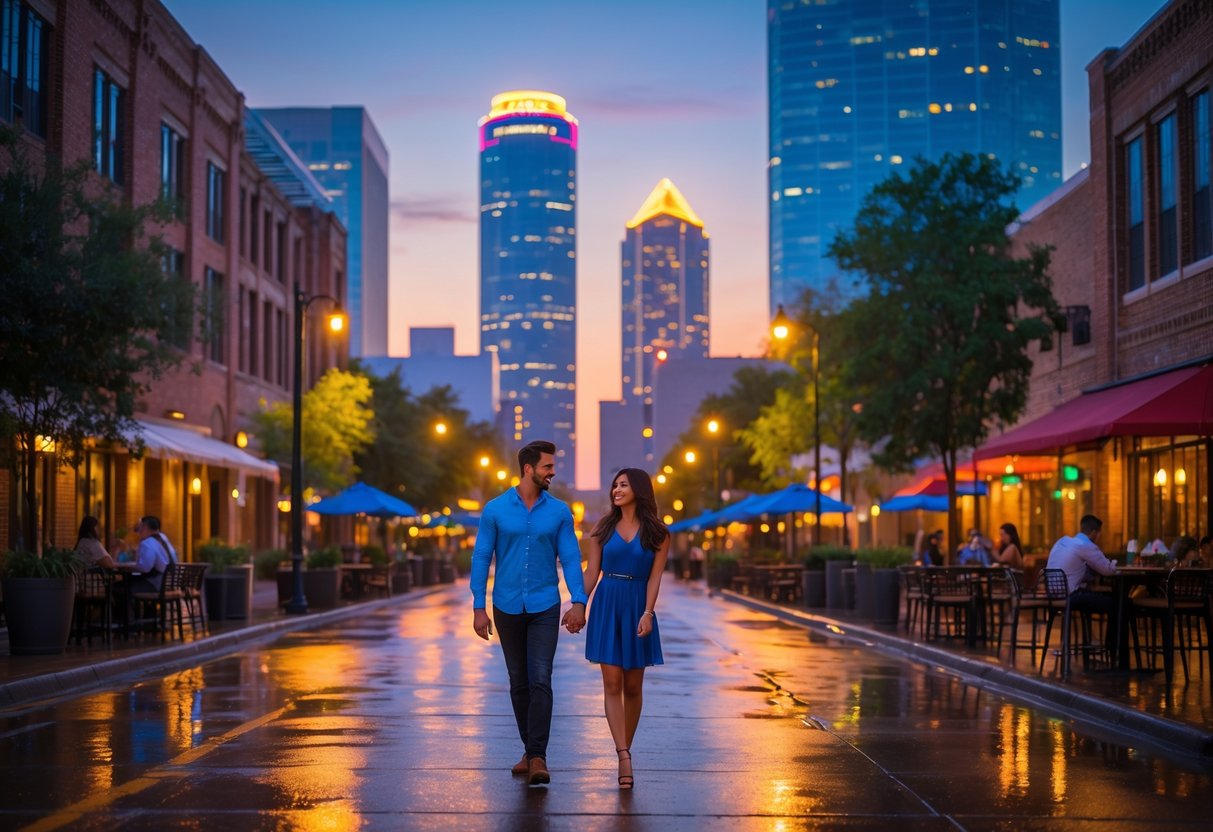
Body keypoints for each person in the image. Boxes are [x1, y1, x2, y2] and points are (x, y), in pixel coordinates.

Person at [469, 440, 588, 787]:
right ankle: (528, 750)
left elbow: (569, 557)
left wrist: (578, 601)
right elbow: (481, 557)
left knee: (540, 678)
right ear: (528, 469)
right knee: (518, 682)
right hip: (505, 604)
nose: (553, 472)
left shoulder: (560, 512)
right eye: (548, 467)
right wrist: (479, 605)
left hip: (544, 606)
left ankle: (538, 756)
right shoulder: (494, 510)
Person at [583, 468, 669, 790]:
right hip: (607, 603)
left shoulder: (658, 533)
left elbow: (655, 577)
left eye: (623, 484)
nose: (616, 490)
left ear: (639, 490)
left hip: (637, 605)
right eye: (614, 485)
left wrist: (648, 613)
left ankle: (625, 748)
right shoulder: (602, 529)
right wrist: (578, 603)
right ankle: (623, 756)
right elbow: (592, 573)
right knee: (613, 681)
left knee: (633, 686)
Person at [1045, 514, 1118, 649]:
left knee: (1088, 594)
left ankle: (1090, 642)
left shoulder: (1062, 541)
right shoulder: (1086, 545)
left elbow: (1072, 570)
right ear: (1094, 533)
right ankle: (1114, 652)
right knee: (1117, 604)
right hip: (1070, 596)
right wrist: (1118, 564)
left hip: (1052, 595)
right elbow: (1108, 570)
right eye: (1099, 534)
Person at [129, 515, 177, 595]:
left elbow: (145, 568)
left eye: (140, 527)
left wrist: (132, 566)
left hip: (156, 584)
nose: (139, 531)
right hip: (169, 584)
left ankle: (134, 607)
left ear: (145, 527)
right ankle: (147, 607)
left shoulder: (147, 543)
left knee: (122, 588)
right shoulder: (164, 538)